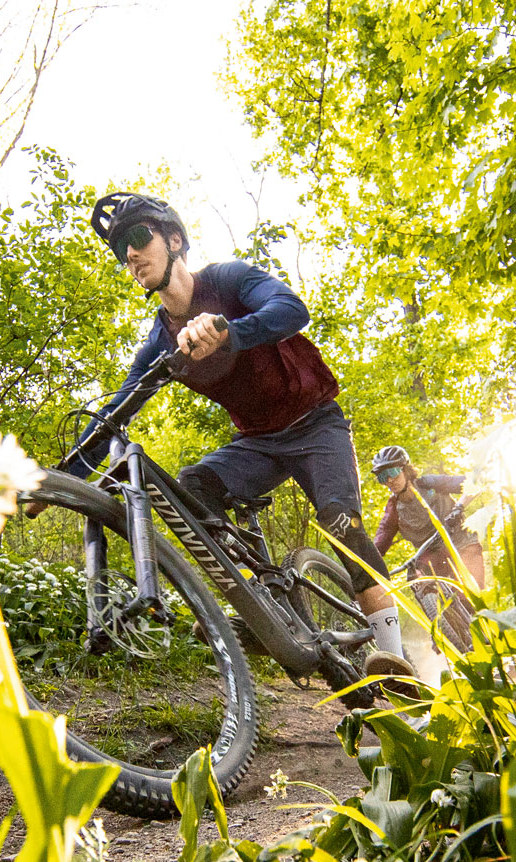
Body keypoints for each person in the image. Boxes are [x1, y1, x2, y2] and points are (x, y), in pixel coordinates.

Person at [68, 192, 411, 680]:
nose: (130, 253)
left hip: (316, 424)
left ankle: (396, 659)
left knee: (340, 522)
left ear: (175, 240)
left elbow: (291, 310)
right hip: (258, 443)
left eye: (139, 237)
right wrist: (63, 477)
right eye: (121, 246)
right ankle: (257, 602)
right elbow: (115, 413)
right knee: (191, 487)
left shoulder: (228, 280)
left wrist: (228, 330)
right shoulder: (161, 341)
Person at [369, 445, 487, 590]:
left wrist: (459, 508)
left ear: (405, 470)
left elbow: (473, 484)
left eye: (392, 472)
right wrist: (364, 564)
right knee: (416, 579)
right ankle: (436, 611)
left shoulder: (429, 484)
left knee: (472, 593)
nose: (389, 480)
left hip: (462, 542)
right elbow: (382, 539)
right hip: (433, 554)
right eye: (382, 477)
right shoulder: (394, 509)